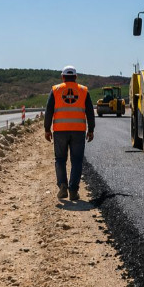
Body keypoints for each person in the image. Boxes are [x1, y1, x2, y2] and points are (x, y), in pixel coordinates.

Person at [44, 65, 94, 201]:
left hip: (60, 131)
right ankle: (73, 190)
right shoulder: (83, 91)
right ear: (76, 77)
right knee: (77, 160)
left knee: (60, 159)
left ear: (63, 77)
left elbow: (49, 111)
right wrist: (91, 130)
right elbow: (90, 112)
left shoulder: (56, 90)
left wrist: (47, 129)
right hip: (78, 131)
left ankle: (62, 186)